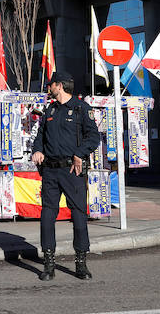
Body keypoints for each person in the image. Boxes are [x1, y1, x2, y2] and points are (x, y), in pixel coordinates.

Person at [31, 71, 101, 281]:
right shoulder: (50, 109)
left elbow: (94, 137)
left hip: (72, 170)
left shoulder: (81, 108)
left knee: (78, 215)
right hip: (50, 171)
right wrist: (37, 150)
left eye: (51, 84)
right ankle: (49, 263)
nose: (49, 87)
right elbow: (40, 136)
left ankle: (81, 263)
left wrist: (80, 154)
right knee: (47, 216)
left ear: (59, 85)